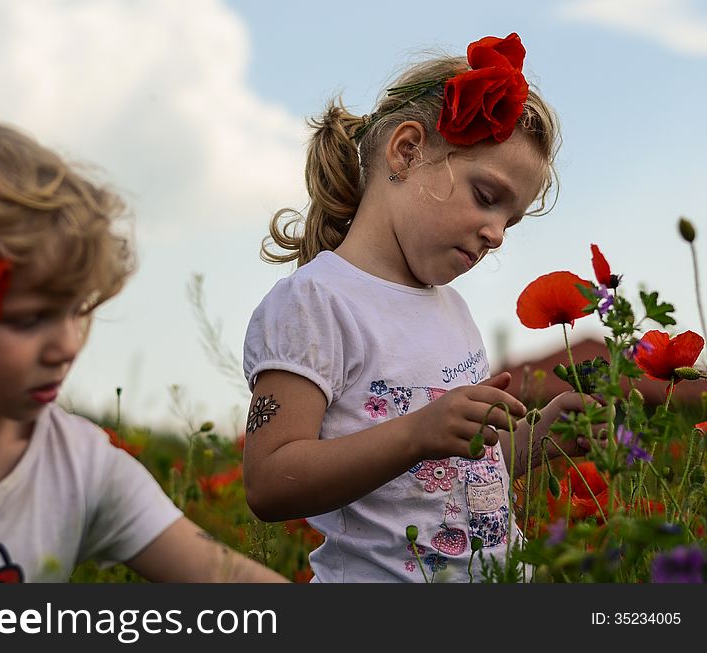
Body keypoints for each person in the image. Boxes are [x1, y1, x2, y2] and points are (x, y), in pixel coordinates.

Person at [0, 115, 287, 583]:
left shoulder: (80, 467)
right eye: (29, 319)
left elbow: (225, 577)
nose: (67, 345)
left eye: (78, 310)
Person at [242, 33, 595, 582]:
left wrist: (545, 436)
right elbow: (268, 481)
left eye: (511, 219)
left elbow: (464, 469)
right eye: (486, 197)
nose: (497, 235)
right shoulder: (316, 302)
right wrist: (415, 433)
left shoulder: (453, 310)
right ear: (407, 152)